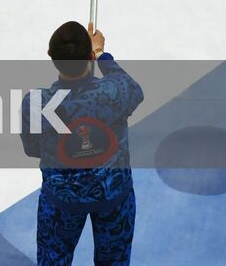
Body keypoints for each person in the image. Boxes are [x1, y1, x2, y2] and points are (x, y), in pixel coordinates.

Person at [20, 21, 143, 266]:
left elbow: (33, 148)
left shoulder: (35, 102)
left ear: (50, 55)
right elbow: (133, 89)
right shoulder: (113, 92)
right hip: (114, 197)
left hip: (61, 202)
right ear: (89, 56)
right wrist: (101, 53)